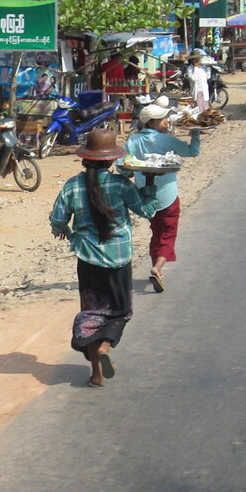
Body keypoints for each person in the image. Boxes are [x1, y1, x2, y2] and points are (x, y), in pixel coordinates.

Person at [49, 129, 159, 387]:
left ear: (85, 158)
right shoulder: (121, 185)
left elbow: (57, 220)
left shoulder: (73, 185)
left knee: (92, 313)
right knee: (119, 310)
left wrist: (67, 233)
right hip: (119, 258)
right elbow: (146, 210)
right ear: (111, 160)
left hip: (88, 259)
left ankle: (97, 374)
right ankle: (105, 347)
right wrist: (151, 183)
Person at [126, 103, 200, 293]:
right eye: (163, 119)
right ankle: (157, 268)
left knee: (156, 231)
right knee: (168, 233)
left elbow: (124, 166)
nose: (166, 122)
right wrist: (196, 133)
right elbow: (193, 152)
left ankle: (156, 268)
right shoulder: (165, 140)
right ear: (153, 122)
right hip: (168, 195)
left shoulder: (132, 141)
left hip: (144, 195)